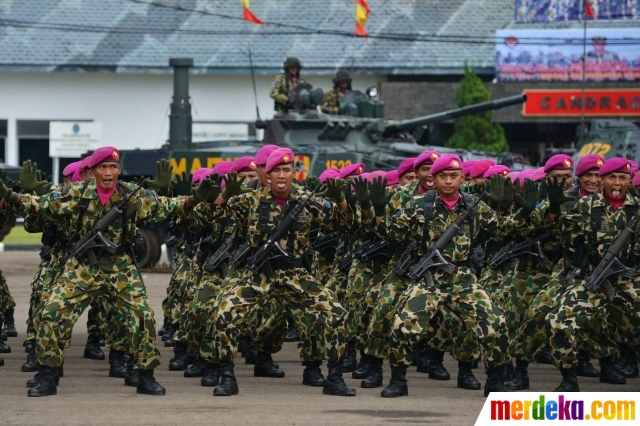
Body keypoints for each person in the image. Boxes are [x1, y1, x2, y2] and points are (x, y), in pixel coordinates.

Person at [0, 147, 215, 397]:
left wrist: (195, 199)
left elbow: (167, 206)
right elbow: (41, 204)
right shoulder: (76, 193)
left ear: (119, 171)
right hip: (82, 267)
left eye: (113, 167)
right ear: (92, 172)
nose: (109, 172)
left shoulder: (132, 196)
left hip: (119, 266)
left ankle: (145, 374)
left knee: (143, 317)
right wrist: (12, 196)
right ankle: (47, 374)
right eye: (103, 167)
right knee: (51, 314)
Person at [362, 154, 540, 397]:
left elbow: (502, 227)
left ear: (462, 178)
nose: (448, 181)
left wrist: (524, 212)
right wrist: (380, 209)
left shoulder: (473, 204)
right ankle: (398, 379)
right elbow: (390, 232)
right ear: (433, 179)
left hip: (462, 277)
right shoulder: (419, 204)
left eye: (453, 176)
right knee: (402, 324)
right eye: (442, 176)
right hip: (428, 277)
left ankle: (495, 380)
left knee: (496, 323)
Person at [204, 147, 357, 397]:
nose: (282, 175)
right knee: (225, 313)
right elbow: (210, 216)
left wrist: (341, 199)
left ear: (294, 173)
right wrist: (223, 195)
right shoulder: (250, 200)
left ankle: (335, 378)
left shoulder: (309, 202)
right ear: (268, 174)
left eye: (287, 170)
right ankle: (227, 376)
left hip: (296, 275)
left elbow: (347, 223)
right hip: (260, 274)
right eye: (277, 171)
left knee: (337, 314)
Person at [545, 157, 640, 391]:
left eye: (622, 178)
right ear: (603, 180)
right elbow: (560, 235)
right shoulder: (586, 206)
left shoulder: (637, 207)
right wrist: (554, 211)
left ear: (630, 181)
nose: (617, 183)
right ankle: (569, 379)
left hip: (630, 278)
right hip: (593, 277)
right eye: (611, 177)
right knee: (557, 323)